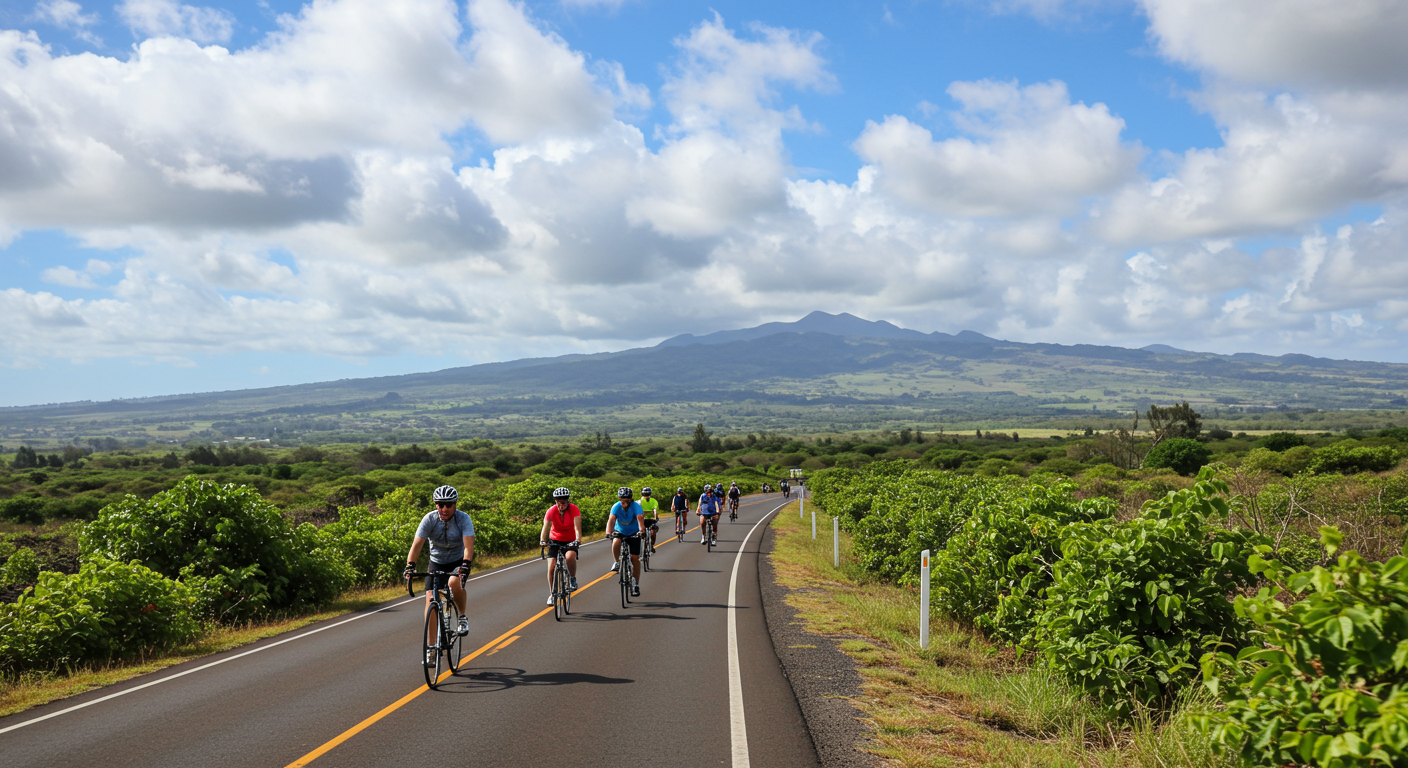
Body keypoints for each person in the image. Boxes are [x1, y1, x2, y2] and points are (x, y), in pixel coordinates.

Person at [404, 485, 475, 665]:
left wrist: (465, 565)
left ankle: (462, 617)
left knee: (453, 583)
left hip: (458, 561)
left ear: (455, 504)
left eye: (448, 505)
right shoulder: (429, 519)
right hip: (436, 562)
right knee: (430, 601)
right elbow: (417, 545)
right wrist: (410, 567)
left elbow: (468, 546)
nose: (444, 509)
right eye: (440, 504)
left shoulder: (463, 519)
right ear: (436, 505)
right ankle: (431, 649)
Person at [538, 486, 581, 605]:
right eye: (559, 502)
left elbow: (577, 527)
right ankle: (552, 594)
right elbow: (545, 527)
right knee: (551, 567)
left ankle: (572, 579)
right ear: (556, 501)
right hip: (555, 540)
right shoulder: (551, 511)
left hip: (570, 540)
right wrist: (542, 540)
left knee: (569, 557)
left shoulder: (574, 509)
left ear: (568, 501)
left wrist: (578, 539)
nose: (562, 504)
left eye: (564, 501)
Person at [606, 487, 645, 597]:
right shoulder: (616, 506)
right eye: (622, 499)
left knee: (635, 558)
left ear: (631, 499)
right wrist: (609, 532)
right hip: (620, 531)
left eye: (627, 499)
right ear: (619, 499)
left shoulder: (636, 506)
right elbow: (611, 520)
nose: (624, 501)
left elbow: (640, 518)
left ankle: (635, 583)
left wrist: (641, 531)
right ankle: (617, 562)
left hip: (634, 532)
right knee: (616, 541)